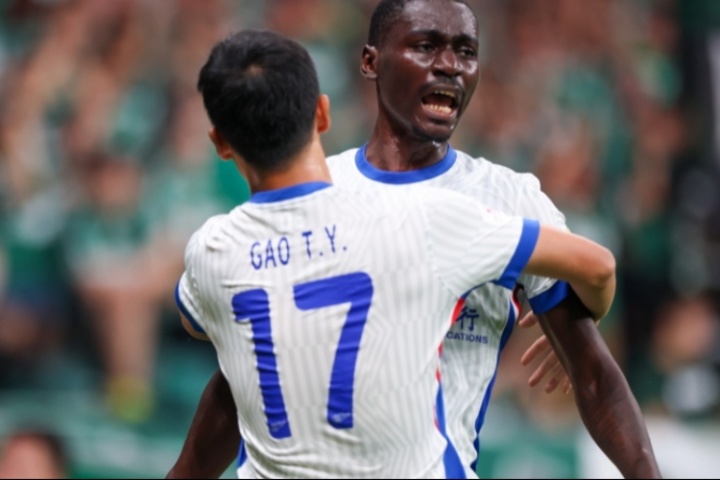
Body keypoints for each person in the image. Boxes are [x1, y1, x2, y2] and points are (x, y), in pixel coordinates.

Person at [167, 1, 662, 479]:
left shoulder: (509, 199)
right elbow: (247, 373)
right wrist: (594, 301)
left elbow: (594, 377)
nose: (449, 65)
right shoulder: (332, 194)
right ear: (370, 61)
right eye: (425, 46)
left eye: (466, 52)